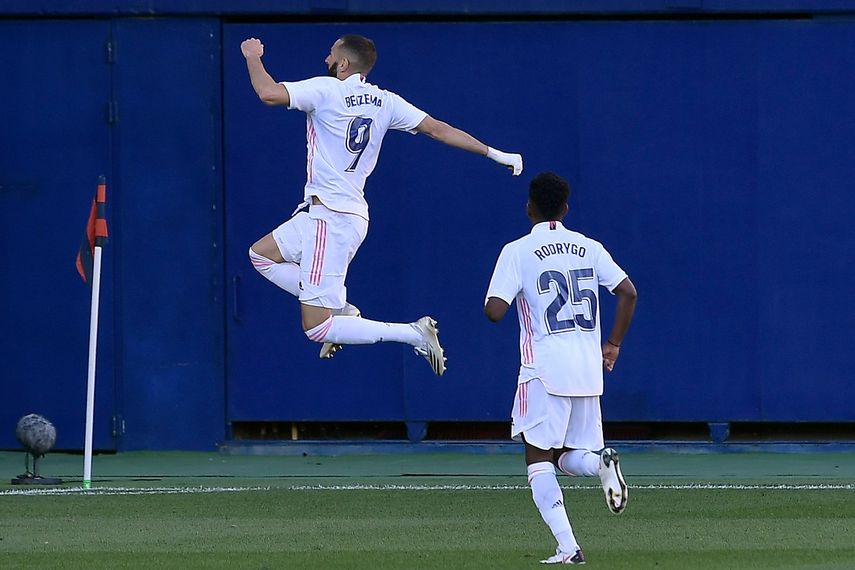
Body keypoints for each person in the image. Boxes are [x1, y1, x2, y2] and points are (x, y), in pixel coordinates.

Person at [241, 34, 523, 376]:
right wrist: (495, 153)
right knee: (261, 255)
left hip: (330, 219)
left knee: (317, 327)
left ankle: (412, 333)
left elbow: (268, 92)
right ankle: (342, 308)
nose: (326, 59)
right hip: (336, 214)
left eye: (331, 55)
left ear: (343, 64)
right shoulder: (384, 101)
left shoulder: (327, 89)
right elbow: (440, 130)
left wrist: (252, 55)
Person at [484, 172, 637, 564]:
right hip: (588, 370)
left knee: (538, 459)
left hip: (543, 370)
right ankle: (602, 462)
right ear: (565, 209)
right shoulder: (589, 247)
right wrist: (614, 344)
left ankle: (569, 547)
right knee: (570, 456)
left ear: (529, 208)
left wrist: (513, 292)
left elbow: (494, 311)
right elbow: (628, 292)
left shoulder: (517, 250)